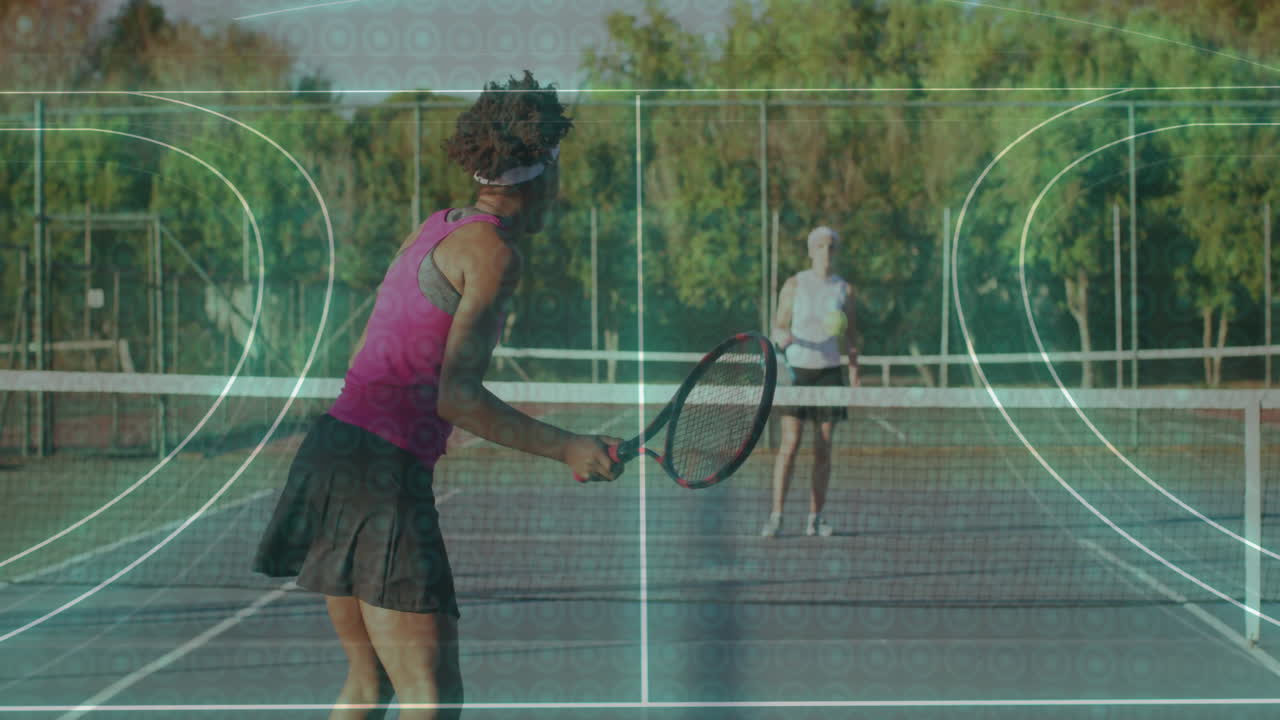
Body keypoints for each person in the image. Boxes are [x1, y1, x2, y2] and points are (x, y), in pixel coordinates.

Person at [253, 71, 622, 720]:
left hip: (332, 456)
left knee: (369, 689)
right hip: (381, 477)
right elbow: (456, 395)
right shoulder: (495, 254)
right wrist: (567, 445)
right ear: (543, 176)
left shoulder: (437, 225)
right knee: (433, 698)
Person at [762, 225, 858, 539]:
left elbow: (852, 336)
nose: (826, 251)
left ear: (836, 251)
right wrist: (781, 337)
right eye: (820, 246)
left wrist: (854, 370)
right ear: (811, 250)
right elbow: (778, 325)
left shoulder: (844, 290)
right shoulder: (794, 285)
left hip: (830, 374)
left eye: (831, 246)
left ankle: (815, 519)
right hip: (797, 373)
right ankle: (776, 517)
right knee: (789, 445)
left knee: (824, 448)